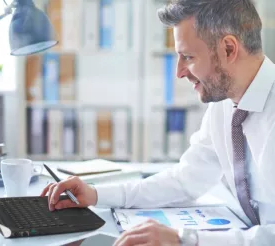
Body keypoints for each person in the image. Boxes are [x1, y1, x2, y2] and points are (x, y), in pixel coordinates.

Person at [41, 0, 275, 245]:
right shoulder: (225, 106)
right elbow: (184, 180)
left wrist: (186, 240)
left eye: (188, 56)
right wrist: (96, 194)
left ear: (228, 49)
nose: (179, 71)